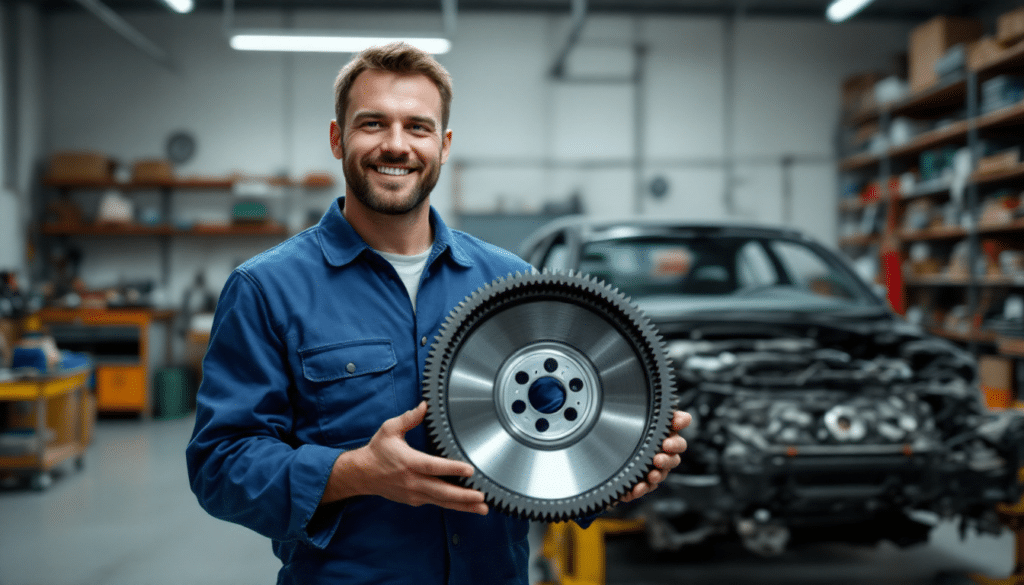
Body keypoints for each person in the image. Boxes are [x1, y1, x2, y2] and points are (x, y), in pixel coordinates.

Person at [185, 42, 691, 585]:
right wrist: (352, 474)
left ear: (444, 146)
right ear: (337, 138)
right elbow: (221, 465)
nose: (396, 145)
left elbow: (550, 460)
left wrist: (619, 467)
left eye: (418, 128)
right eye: (373, 124)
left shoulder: (512, 283)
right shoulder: (267, 288)